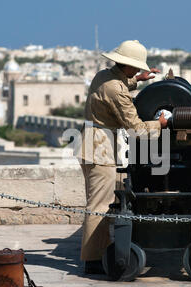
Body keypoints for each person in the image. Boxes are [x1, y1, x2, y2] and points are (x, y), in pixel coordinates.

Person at [76, 40, 168, 274]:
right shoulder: (116, 90)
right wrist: (160, 124)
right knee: (99, 206)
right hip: (100, 148)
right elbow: (135, 128)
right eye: (136, 68)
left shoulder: (102, 76)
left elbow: (119, 83)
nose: (137, 71)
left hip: (90, 141)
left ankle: (97, 254)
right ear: (127, 65)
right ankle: (94, 260)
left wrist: (139, 80)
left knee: (100, 203)